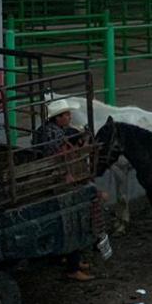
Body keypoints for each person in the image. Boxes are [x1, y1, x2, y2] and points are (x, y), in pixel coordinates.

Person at [33, 99, 95, 282]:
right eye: (66, 115)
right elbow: (64, 158)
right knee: (74, 222)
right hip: (59, 182)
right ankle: (73, 267)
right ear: (58, 118)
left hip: (46, 180)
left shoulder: (43, 130)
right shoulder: (56, 135)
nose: (69, 117)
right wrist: (83, 146)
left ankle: (62, 257)